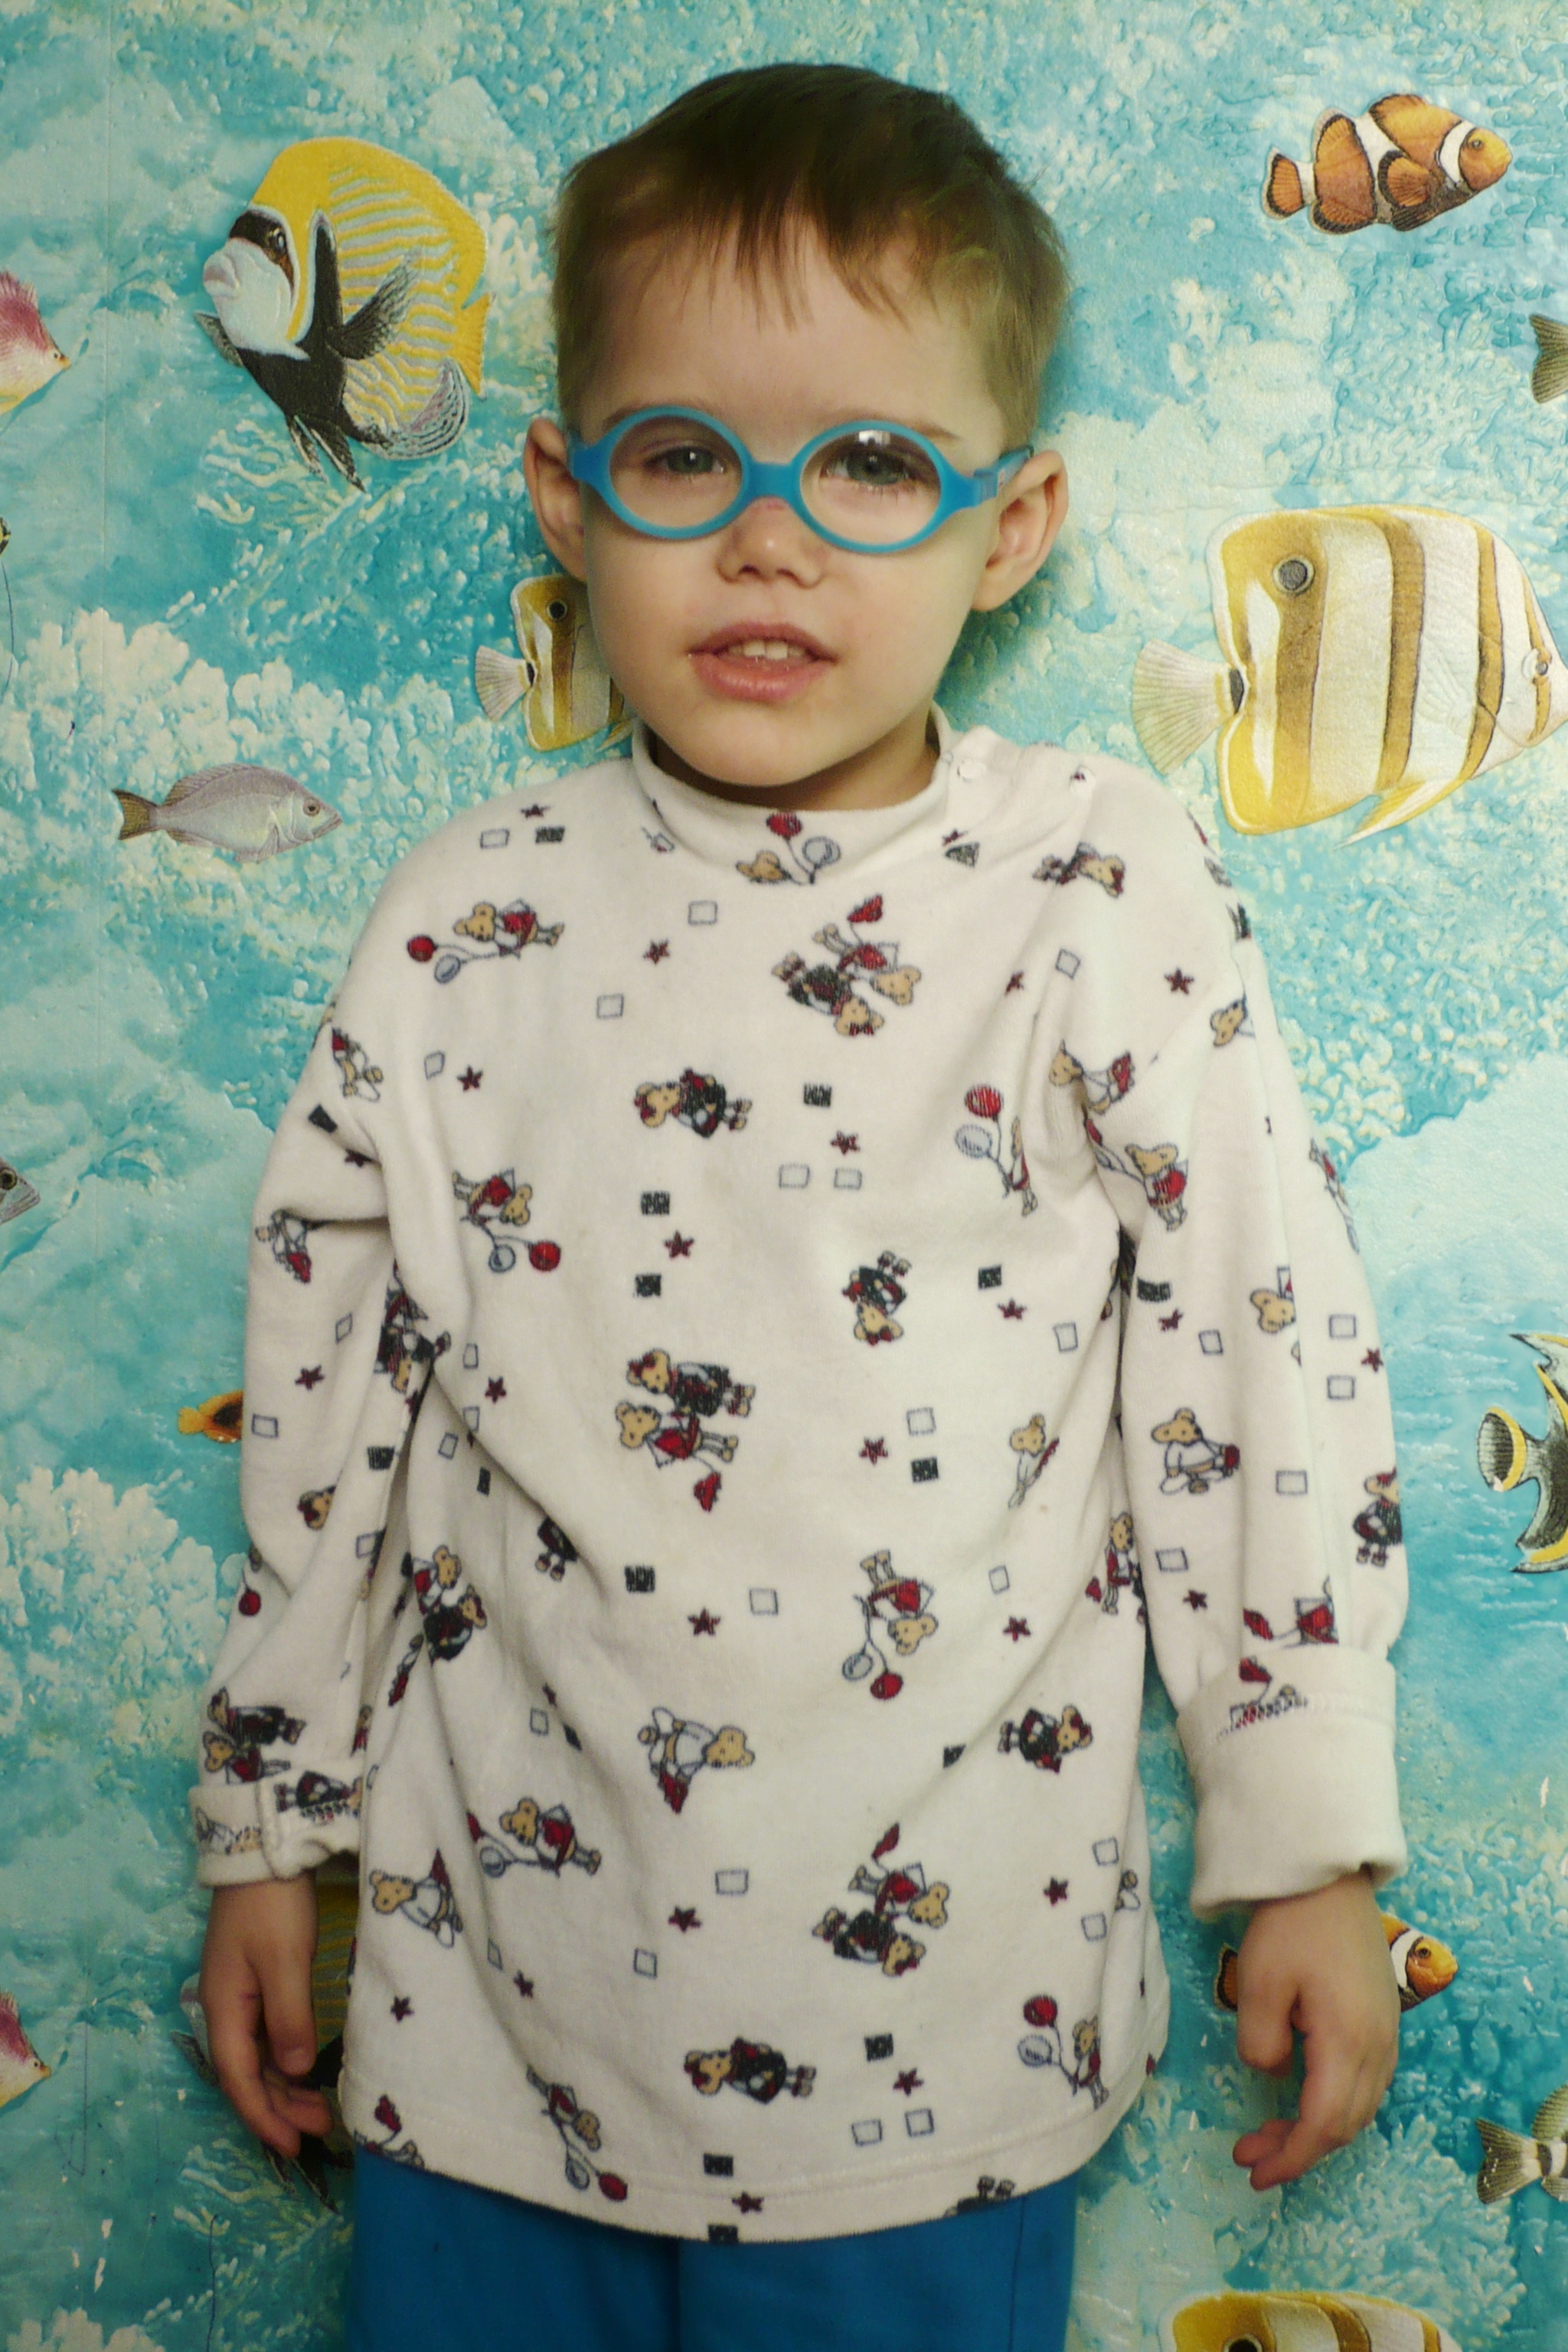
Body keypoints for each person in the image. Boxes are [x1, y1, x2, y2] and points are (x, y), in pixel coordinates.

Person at [193, 61, 1408, 2352]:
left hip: (940, 2051)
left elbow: (1260, 1353)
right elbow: (328, 1386)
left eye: (869, 463)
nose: (771, 541)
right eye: (687, 459)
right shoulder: (466, 917)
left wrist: (1309, 1840)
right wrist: (273, 1829)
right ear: (566, 494)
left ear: (1013, 523)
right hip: (488, 2041)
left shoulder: (1095, 885)